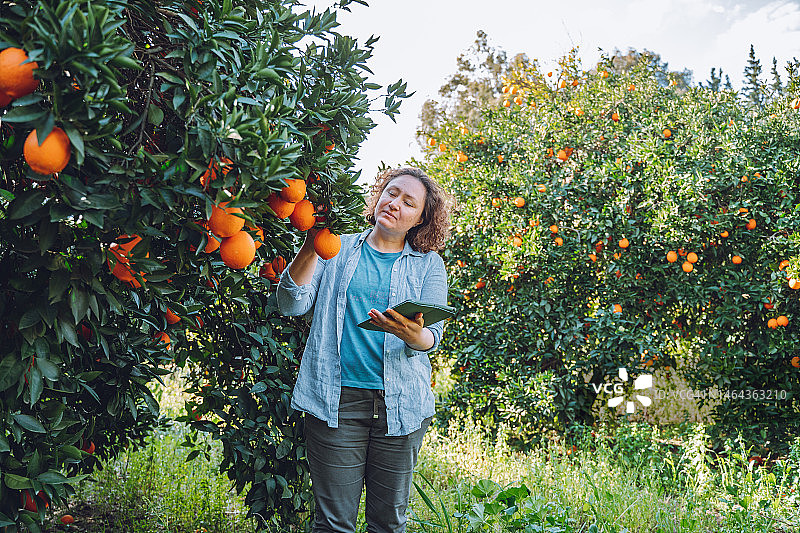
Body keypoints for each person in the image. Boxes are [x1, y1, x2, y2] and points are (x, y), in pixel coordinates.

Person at [276, 167, 454, 533]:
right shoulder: (335, 247)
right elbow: (292, 304)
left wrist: (409, 334)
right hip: (335, 401)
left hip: (400, 406)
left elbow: (431, 337)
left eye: (409, 203)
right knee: (333, 523)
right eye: (391, 193)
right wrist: (311, 245)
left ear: (421, 218)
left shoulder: (428, 265)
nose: (394, 204)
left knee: (388, 523)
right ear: (378, 196)